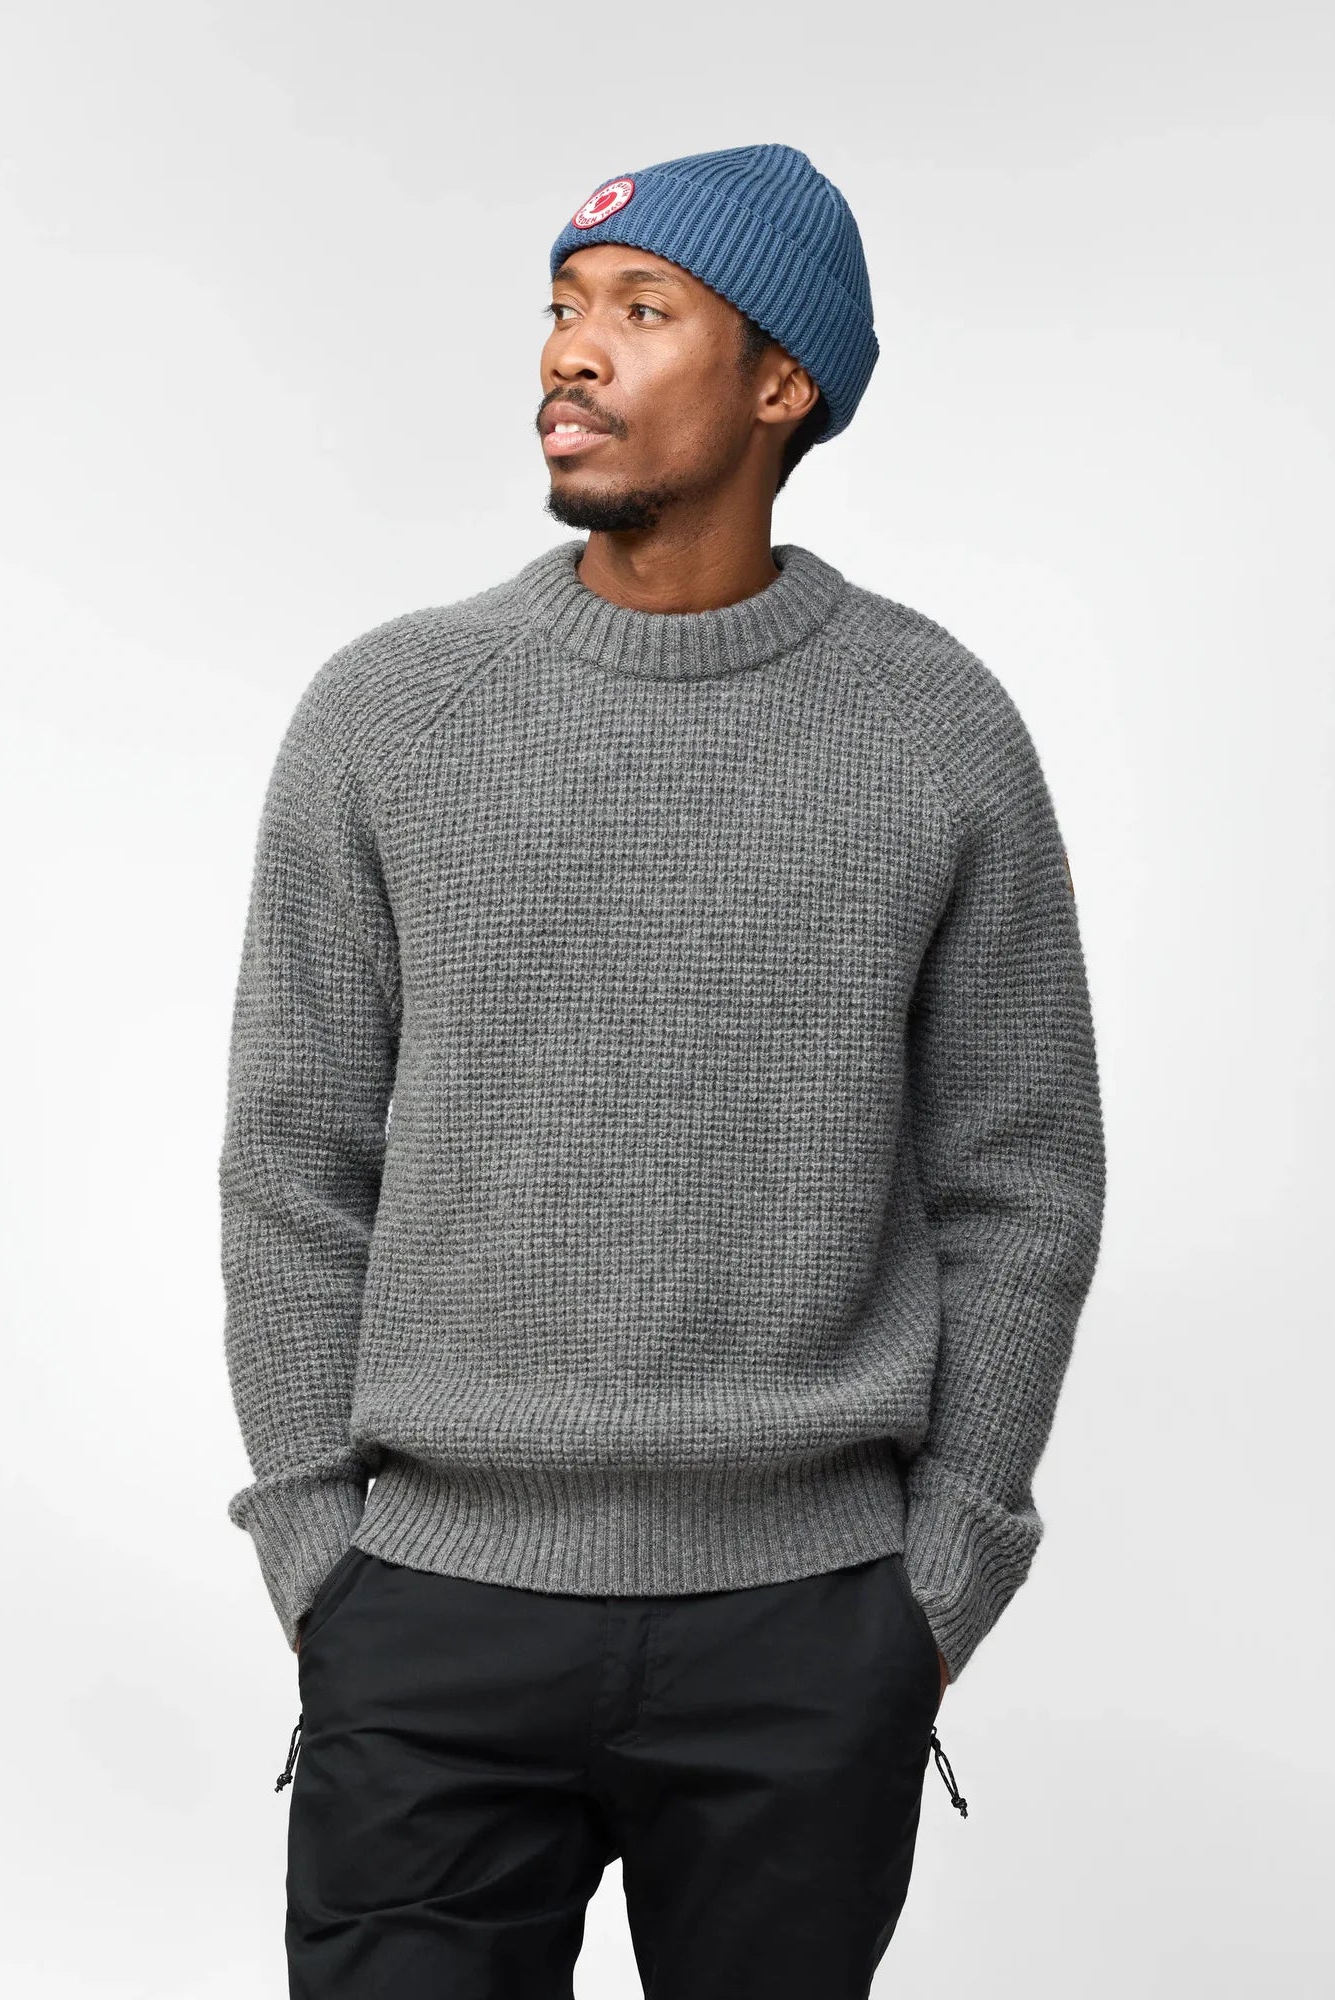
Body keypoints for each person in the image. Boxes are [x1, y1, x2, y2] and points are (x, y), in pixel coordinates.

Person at [218, 141, 1107, 1998]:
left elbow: (1022, 1179)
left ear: (782, 383)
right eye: (561, 306)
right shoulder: (391, 713)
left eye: (641, 310)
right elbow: (295, 1163)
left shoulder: (936, 729)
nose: (572, 350)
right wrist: (320, 1555)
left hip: (805, 1628)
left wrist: (942, 1582)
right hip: (434, 1615)